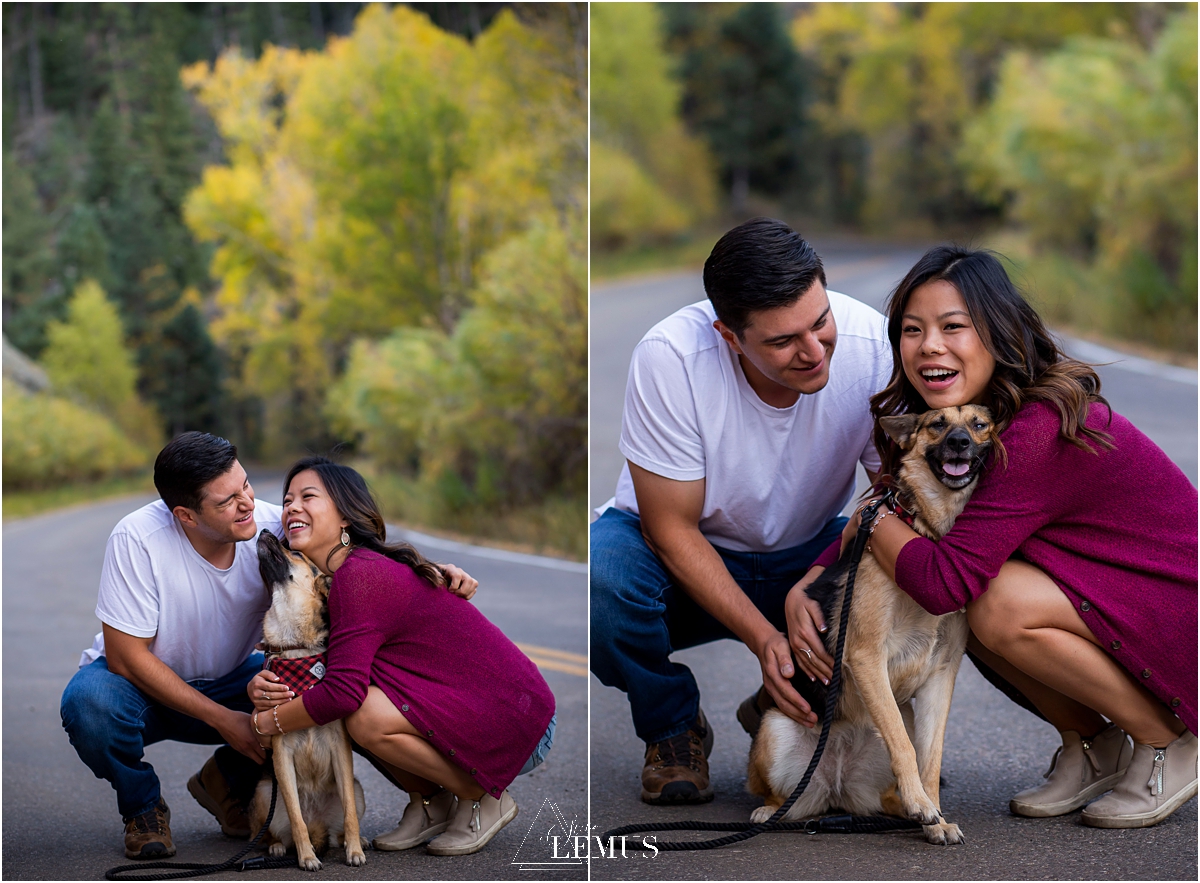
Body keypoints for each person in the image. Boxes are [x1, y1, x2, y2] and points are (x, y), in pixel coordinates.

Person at [799, 245, 1197, 828]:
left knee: (984, 598)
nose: (929, 345)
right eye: (912, 330)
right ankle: (1095, 745)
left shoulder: (1038, 428)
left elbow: (931, 571)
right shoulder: (964, 417)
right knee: (971, 591)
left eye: (952, 327)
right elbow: (896, 497)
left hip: (1171, 612)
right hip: (1104, 595)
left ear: (1000, 334)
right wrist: (810, 580)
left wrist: (875, 521)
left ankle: (1168, 742)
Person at [59, 432, 477, 859]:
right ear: (185, 515)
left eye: (245, 485)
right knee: (89, 705)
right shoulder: (137, 539)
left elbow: (353, 553)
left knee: (343, 691)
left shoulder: (270, 524)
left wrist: (425, 570)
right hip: (146, 688)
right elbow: (127, 658)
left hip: (238, 677)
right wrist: (227, 721)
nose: (246, 504)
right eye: (226, 501)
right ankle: (143, 807)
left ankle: (225, 779)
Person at [589, 218, 893, 804]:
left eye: (820, 321)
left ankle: (793, 700)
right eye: (783, 342)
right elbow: (669, 529)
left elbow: (890, 496)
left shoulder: (871, 344)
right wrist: (763, 638)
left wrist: (813, 580)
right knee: (603, 586)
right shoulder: (671, 356)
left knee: (899, 571)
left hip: (809, 547)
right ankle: (674, 729)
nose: (813, 351)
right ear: (729, 335)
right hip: (682, 549)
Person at [246, 456, 556, 856]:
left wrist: (264, 724)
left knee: (357, 711)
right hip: (471, 715)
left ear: (345, 516)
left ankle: (483, 796)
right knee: (338, 703)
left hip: (517, 725)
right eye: (287, 501)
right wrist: (264, 683)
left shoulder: (360, 576)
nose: (292, 508)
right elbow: (314, 668)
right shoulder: (341, 578)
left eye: (308, 497)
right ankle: (433, 803)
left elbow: (341, 693)